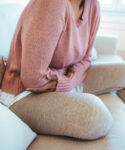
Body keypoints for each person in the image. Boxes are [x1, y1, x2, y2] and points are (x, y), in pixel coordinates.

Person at [0, 0, 113, 140]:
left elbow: (86, 59)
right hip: (24, 94)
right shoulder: (51, 4)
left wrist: (67, 81)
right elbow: (32, 79)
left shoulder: (93, 5)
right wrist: (67, 77)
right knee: (98, 117)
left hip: (57, 81)